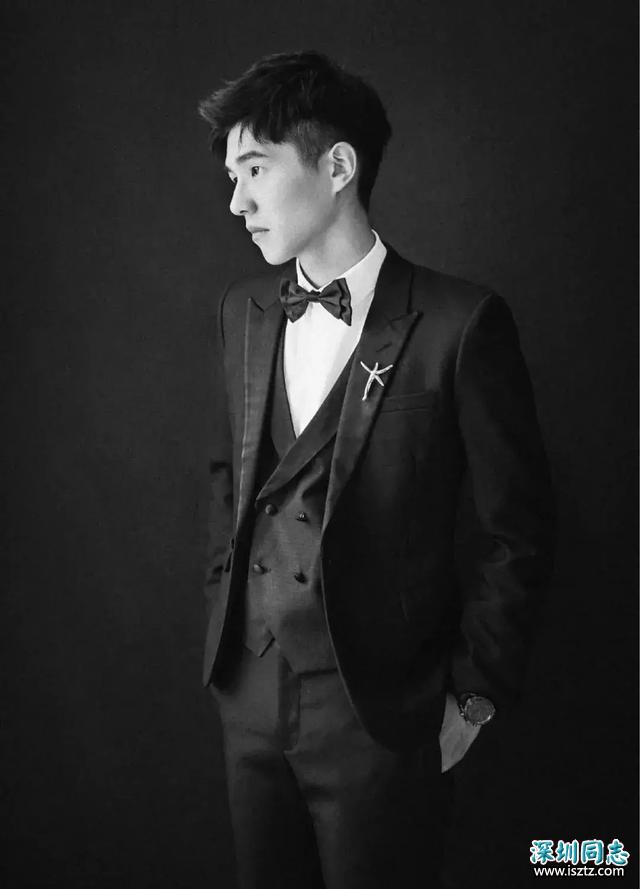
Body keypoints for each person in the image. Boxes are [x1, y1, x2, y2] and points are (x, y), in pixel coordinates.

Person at [197, 50, 555, 889]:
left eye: (256, 169)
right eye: (233, 176)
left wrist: (474, 694)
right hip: (248, 695)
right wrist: (224, 624)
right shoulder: (242, 311)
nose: (237, 201)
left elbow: (517, 526)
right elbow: (229, 478)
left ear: (337, 167)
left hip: (380, 713)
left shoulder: (461, 324)